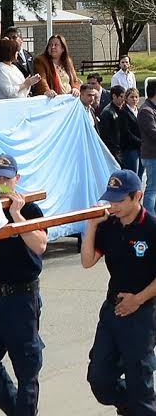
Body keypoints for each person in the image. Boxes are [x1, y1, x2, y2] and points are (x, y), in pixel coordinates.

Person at [0, 154, 48, 416]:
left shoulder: (30, 209)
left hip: (22, 298)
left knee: (27, 370)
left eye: (6, 178)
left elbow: (39, 245)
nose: (1, 183)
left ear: (17, 179)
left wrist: (16, 214)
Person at [82, 170, 156, 416]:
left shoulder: (151, 228)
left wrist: (139, 299)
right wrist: (91, 226)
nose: (113, 205)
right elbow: (87, 261)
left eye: (120, 200)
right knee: (99, 379)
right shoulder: (109, 226)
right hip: (112, 310)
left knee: (140, 382)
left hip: (143, 313)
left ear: (138, 196)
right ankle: (133, 407)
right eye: (111, 199)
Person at [138, 79, 156, 215]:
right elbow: (153, 133)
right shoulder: (146, 110)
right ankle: (148, 219)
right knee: (152, 189)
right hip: (151, 155)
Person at [99, 85, 126, 164]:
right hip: (114, 151)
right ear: (114, 96)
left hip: (121, 148)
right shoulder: (108, 112)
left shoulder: (121, 109)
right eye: (121, 96)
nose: (123, 99)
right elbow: (106, 136)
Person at [121, 87, 143, 178]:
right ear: (126, 98)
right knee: (133, 175)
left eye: (136, 97)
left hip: (141, 148)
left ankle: (138, 192)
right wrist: (141, 142)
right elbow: (126, 132)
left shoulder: (140, 110)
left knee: (140, 174)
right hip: (130, 148)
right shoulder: (123, 112)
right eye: (131, 97)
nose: (134, 99)